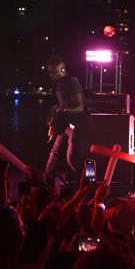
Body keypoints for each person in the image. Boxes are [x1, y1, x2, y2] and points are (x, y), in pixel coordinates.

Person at [44, 56, 89, 189]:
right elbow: (63, 104)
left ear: (63, 70)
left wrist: (62, 110)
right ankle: (47, 186)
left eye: (55, 72)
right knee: (54, 154)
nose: (52, 75)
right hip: (67, 124)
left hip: (80, 124)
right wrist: (54, 112)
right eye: (50, 72)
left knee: (73, 159)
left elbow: (79, 107)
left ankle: (88, 184)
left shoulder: (71, 82)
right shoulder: (59, 83)